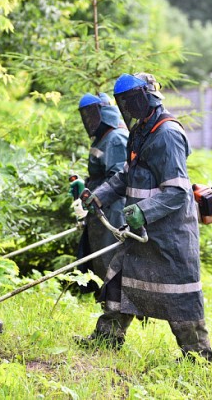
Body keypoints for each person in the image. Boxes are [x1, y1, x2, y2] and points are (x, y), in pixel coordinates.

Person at [75, 73, 212, 362]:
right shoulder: (140, 131)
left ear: (149, 96)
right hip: (138, 231)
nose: (129, 107)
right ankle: (107, 339)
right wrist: (100, 196)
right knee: (120, 281)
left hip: (169, 233)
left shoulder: (167, 134)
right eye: (124, 102)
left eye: (133, 100)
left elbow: (177, 192)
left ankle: (198, 356)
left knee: (180, 295)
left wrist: (144, 211)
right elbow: (126, 175)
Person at [70, 93, 128, 294]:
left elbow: (119, 179)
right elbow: (99, 175)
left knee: (110, 258)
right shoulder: (103, 139)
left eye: (91, 114)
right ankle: (106, 301)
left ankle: (114, 303)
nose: (88, 120)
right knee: (99, 260)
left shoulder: (116, 138)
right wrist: (84, 187)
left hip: (113, 210)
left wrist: (95, 195)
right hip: (99, 207)